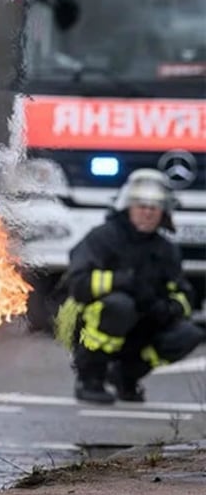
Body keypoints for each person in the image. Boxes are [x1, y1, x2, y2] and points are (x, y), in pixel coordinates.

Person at [54, 168, 205, 404]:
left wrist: (168, 308)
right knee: (119, 307)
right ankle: (90, 377)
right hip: (91, 321)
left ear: (163, 212)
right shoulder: (103, 238)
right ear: (128, 207)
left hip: (142, 323)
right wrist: (120, 283)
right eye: (141, 206)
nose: (147, 213)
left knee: (188, 334)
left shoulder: (166, 250)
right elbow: (78, 284)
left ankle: (126, 376)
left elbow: (183, 293)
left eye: (153, 208)